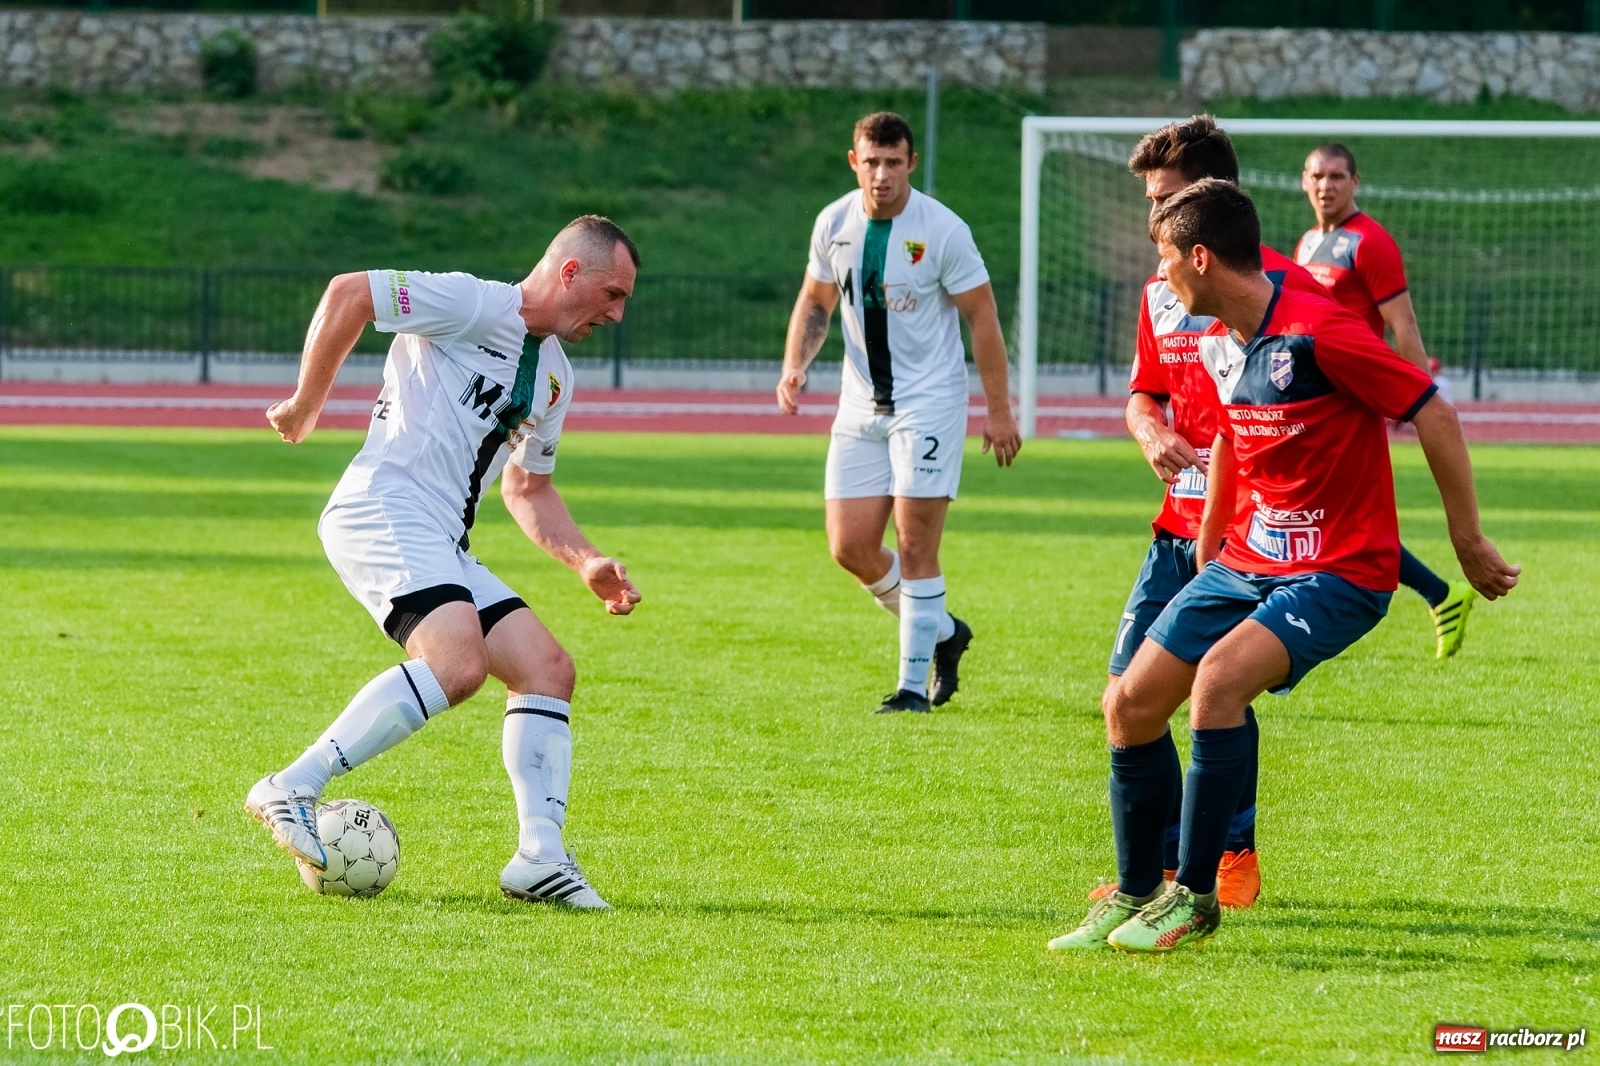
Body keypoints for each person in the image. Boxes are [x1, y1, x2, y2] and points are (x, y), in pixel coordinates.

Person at [1051, 179, 1518, 953]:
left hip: (1341, 569)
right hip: (1245, 558)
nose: (1161, 278)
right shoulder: (1217, 339)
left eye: (1166, 260)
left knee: (1218, 684)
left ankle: (1194, 897)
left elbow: (1432, 408)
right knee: (1129, 706)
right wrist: (1211, 545)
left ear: (1200, 258)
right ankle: (1136, 890)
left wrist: (1466, 539)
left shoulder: (1321, 332)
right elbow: (1235, 436)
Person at [246, 216, 643, 910]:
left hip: (441, 539)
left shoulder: (554, 378)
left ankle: (539, 858)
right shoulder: (474, 304)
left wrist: (584, 560)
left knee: (547, 671)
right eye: (612, 293)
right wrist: (309, 402)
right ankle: (293, 785)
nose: (617, 313)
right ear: (571, 272)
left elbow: (529, 487)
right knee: (456, 664)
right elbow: (350, 294)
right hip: (383, 508)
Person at [1074, 116, 1325, 920]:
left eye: (1167, 201)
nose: (1155, 221)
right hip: (1173, 527)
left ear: (1215, 200)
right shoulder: (1160, 287)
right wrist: (1146, 427)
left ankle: (1225, 855)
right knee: (1129, 696)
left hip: (1250, 534)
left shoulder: (1278, 288)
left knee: (1220, 686)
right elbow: (1144, 388)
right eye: (1149, 204)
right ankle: (1152, 875)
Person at [776, 111, 1021, 714]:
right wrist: (795, 365)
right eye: (871, 161)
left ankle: (912, 689)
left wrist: (998, 410)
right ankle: (944, 632)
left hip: (929, 404)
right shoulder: (833, 222)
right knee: (850, 547)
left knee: (915, 548)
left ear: (911, 163)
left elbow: (982, 316)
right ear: (853, 161)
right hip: (858, 404)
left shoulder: (942, 230)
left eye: (893, 163)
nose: (881, 175)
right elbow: (816, 300)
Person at [1298, 143, 1476, 658]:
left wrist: (1416, 399)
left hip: (1351, 401)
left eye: (1336, 176)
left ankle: (1439, 594)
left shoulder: (1370, 243)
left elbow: (1404, 327)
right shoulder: (1308, 242)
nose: (1326, 185)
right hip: (1310, 401)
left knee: (1334, 520)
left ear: (1356, 182)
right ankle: (1442, 595)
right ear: (1304, 182)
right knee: (1331, 519)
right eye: (1317, 175)